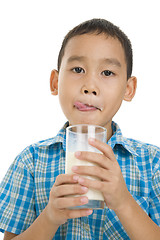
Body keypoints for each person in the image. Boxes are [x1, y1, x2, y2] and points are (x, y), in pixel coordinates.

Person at [0, 18, 160, 240]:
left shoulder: (152, 163)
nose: (90, 87)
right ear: (55, 82)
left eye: (107, 73)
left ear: (128, 88)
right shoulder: (31, 162)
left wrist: (124, 202)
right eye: (78, 69)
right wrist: (49, 217)